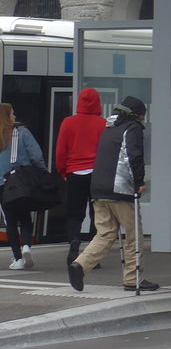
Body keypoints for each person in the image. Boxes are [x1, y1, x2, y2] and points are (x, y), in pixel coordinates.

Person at [67, 96, 159, 292]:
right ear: (136, 114)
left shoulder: (109, 129)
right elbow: (134, 157)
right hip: (120, 190)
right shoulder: (132, 128)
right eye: (143, 114)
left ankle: (80, 265)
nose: (144, 118)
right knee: (133, 235)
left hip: (98, 189)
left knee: (106, 233)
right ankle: (133, 279)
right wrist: (139, 182)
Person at [55, 87, 106, 265]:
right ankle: (93, 254)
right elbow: (106, 152)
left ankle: (74, 241)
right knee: (97, 214)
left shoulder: (68, 123)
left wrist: (63, 171)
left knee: (74, 213)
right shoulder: (102, 124)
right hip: (96, 173)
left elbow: (61, 151)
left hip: (74, 173)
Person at [0, 103, 48, 270]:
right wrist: (42, 172)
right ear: (7, 115)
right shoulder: (21, 132)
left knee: (10, 221)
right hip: (20, 181)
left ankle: (17, 259)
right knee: (25, 216)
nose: (14, 116)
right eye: (12, 113)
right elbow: (36, 155)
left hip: (1, 184)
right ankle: (26, 245)